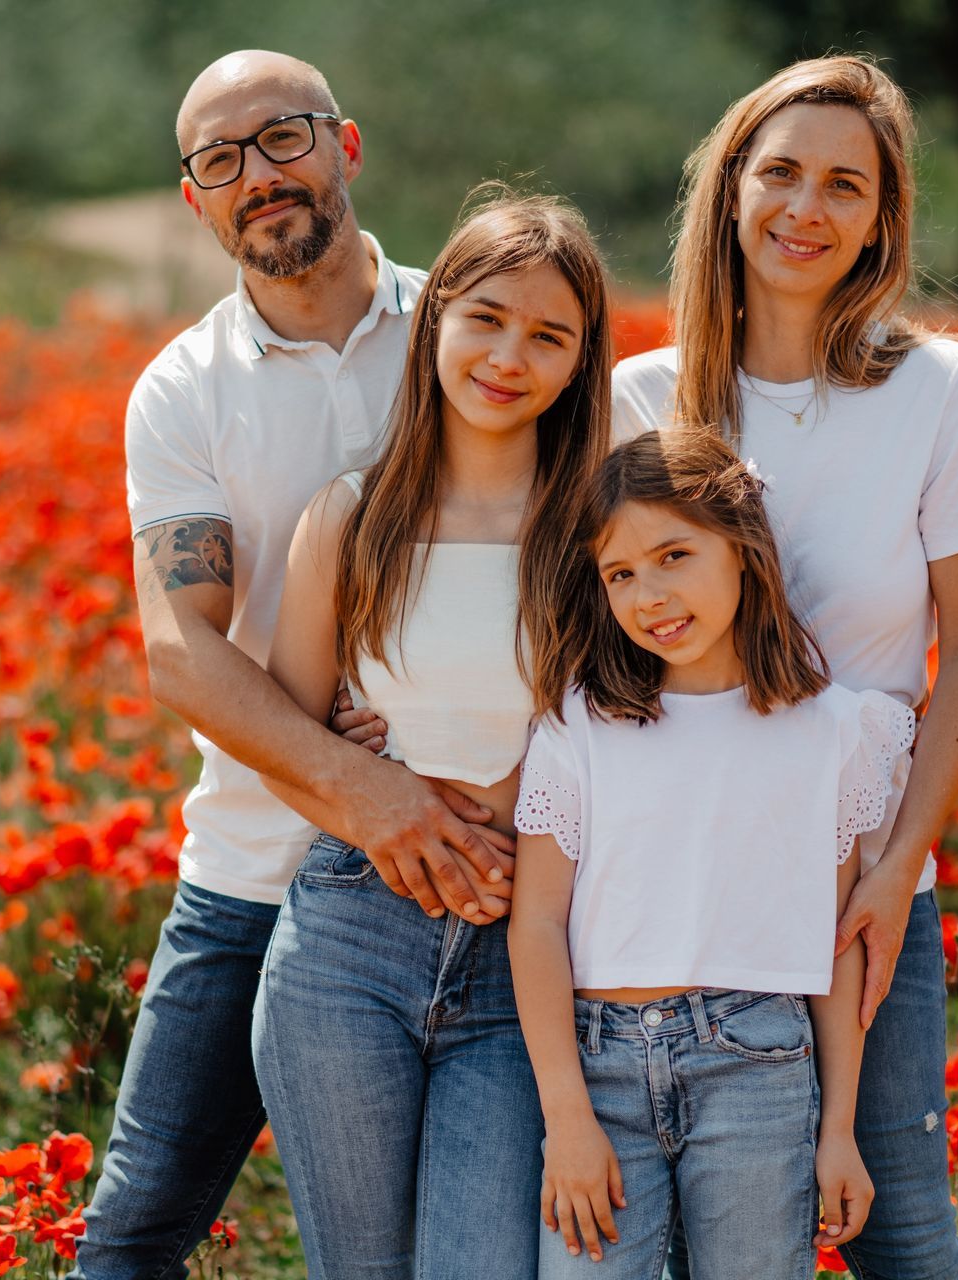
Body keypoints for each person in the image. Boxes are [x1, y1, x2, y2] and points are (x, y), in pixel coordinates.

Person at [77, 50, 519, 1280]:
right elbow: (181, 652)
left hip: (473, 877)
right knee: (131, 1233)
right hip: (257, 865)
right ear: (195, 202)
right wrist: (361, 790)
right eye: (220, 161)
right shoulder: (180, 391)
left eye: (282, 138)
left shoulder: (470, 330)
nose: (257, 175)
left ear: (347, 145)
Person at [613, 55, 958, 1279]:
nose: (807, 206)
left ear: (882, 219)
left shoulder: (943, 390)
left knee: (900, 1225)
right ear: (730, 188)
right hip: (674, 888)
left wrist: (899, 871)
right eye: (781, 170)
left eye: (846, 184)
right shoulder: (643, 395)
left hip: (859, 882)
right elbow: (587, 636)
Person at [252, 190, 613, 1280]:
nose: (510, 356)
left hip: (528, 958)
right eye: (487, 318)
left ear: (581, 362)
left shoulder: (599, 524)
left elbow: (653, 726)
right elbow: (283, 733)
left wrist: (514, 794)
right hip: (352, 941)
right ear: (436, 318)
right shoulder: (351, 517)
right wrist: (370, 783)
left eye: (549, 336)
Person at [509, 431, 914, 1279]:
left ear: (742, 546)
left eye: (673, 555)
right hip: (601, 1073)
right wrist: (566, 1119)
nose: (648, 594)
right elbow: (537, 924)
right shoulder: (580, 727)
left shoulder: (834, 735)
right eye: (620, 574)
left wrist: (837, 1128)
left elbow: (830, 951)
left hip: (758, 1072)